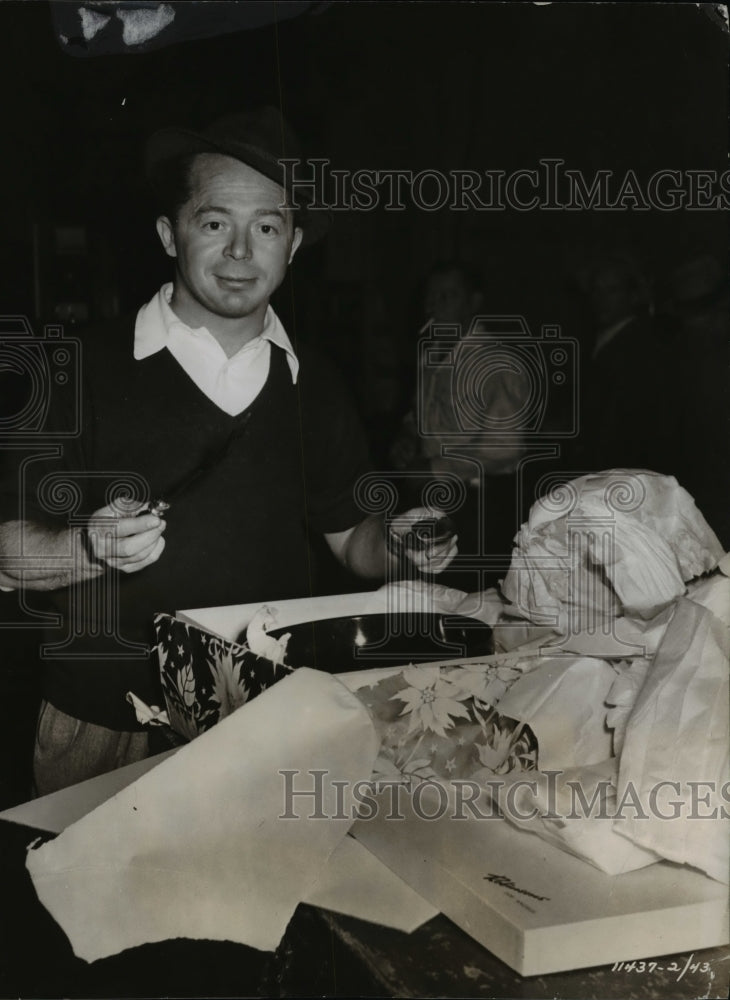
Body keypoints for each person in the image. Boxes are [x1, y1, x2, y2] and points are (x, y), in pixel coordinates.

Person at [0, 108, 456, 795]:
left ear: (294, 245)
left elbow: (349, 541)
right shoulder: (73, 368)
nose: (242, 252)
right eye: (215, 224)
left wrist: (398, 543)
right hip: (106, 724)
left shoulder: (316, 383)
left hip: (262, 716)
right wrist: (88, 547)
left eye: (267, 227)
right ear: (169, 233)